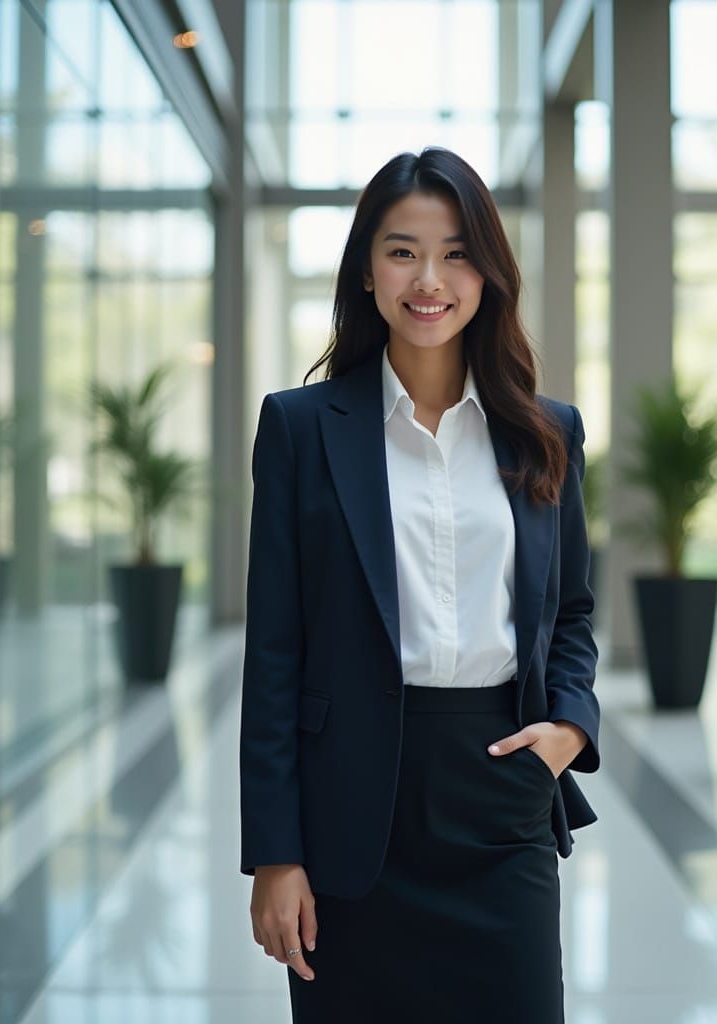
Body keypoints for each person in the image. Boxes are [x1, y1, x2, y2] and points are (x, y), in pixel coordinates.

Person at [240, 145, 601, 1023]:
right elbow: (274, 651)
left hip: (499, 790)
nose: (429, 279)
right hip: (352, 805)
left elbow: (574, 611)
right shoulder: (300, 427)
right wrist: (275, 855)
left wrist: (568, 726)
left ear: (489, 273)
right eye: (402, 251)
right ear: (367, 271)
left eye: (456, 253)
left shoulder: (545, 432)